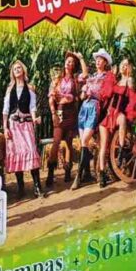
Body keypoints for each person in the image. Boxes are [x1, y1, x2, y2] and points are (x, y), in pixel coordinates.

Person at [72, 48, 116, 190]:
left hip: (94, 108)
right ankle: (85, 174)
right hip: (84, 108)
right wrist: (84, 93)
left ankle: (78, 177)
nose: (97, 61)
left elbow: (107, 94)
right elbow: (81, 95)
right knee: (83, 143)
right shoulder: (91, 77)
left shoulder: (107, 77)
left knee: (85, 140)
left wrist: (94, 93)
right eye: (97, 59)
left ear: (105, 62)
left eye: (100, 59)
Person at [2, 60, 43, 199]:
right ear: (12, 73)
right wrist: (5, 128)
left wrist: (34, 118)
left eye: (19, 68)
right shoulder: (9, 89)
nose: (17, 70)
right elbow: (5, 110)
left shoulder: (30, 88)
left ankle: (37, 187)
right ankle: (21, 188)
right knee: (16, 153)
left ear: (23, 70)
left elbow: (32, 107)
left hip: (26, 125)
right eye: (15, 69)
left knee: (31, 150)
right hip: (13, 125)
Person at [99, 59, 136, 170]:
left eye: (125, 65)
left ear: (129, 68)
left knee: (123, 119)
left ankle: (121, 151)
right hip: (109, 114)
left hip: (119, 113)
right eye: (122, 65)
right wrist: (112, 75)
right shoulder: (116, 81)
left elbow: (132, 97)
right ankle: (102, 172)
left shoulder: (129, 80)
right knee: (103, 145)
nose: (123, 67)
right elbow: (107, 94)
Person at [47, 52, 80, 190]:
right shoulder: (57, 79)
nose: (69, 63)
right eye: (68, 60)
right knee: (56, 141)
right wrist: (53, 112)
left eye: (72, 62)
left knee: (68, 142)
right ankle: (50, 171)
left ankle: (67, 170)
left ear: (74, 66)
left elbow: (78, 97)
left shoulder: (75, 80)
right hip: (60, 112)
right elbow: (51, 98)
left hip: (71, 113)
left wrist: (72, 98)